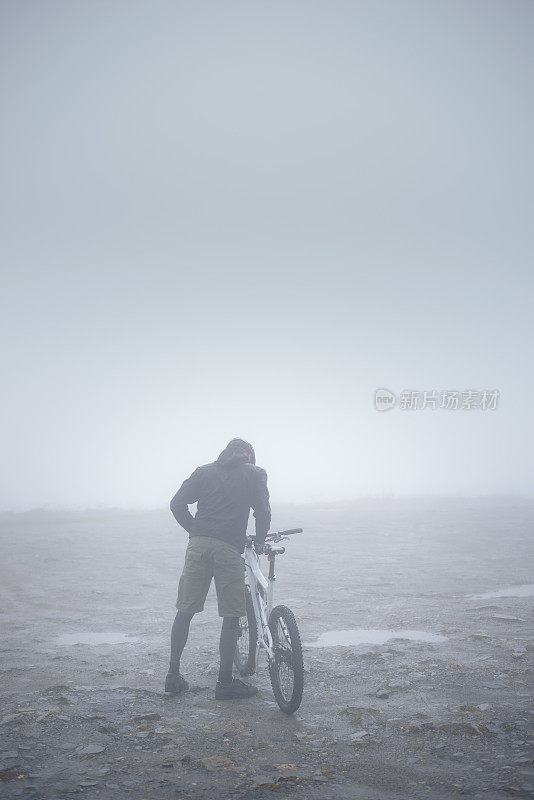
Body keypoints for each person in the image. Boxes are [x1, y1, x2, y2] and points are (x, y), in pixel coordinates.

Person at [166, 438, 271, 700]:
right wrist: (259, 541)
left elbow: (176, 504)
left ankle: (173, 676)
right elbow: (263, 512)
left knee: (185, 610)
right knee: (232, 615)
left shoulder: (204, 471)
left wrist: (197, 531)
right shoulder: (254, 473)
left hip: (198, 547)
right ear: (250, 457)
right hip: (228, 548)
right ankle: (224, 684)